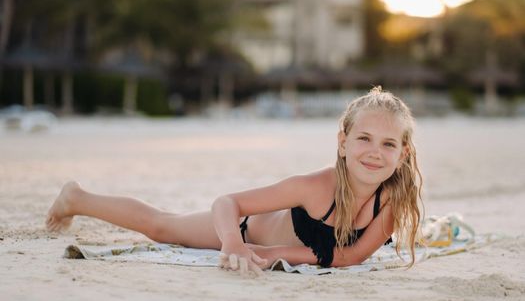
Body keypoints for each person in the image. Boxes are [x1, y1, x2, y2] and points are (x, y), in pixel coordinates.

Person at [46, 86, 423, 276]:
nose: (375, 152)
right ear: (342, 143)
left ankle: (78, 198)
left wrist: (276, 255)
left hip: (265, 245)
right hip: (243, 229)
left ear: (402, 155)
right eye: (363, 139)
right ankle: (76, 197)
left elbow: (351, 256)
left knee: (164, 225)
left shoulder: (391, 201)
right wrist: (234, 243)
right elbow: (227, 203)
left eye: (388, 144)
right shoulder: (315, 187)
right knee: (162, 226)